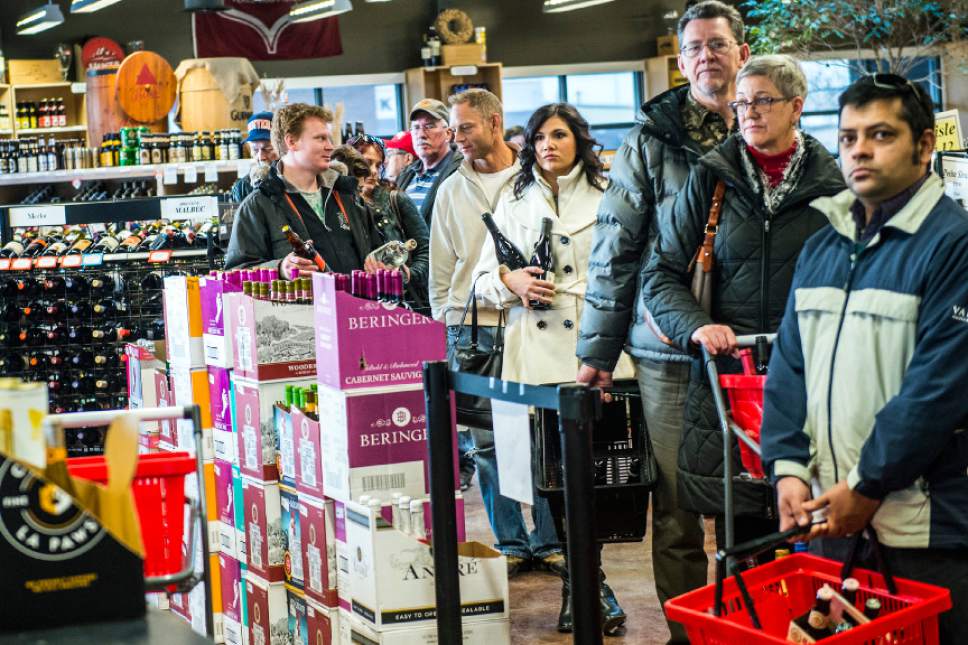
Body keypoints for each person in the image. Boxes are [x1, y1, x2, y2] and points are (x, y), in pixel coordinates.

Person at [762, 74, 968, 645]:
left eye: (880, 135)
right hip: (829, 518)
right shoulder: (824, 243)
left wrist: (868, 485)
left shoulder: (953, 244)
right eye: (849, 137)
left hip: (923, 528)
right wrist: (786, 468)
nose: (860, 150)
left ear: (924, 146)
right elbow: (788, 366)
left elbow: (937, 389)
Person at [575, 3, 749, 640]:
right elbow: (616, 245)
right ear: (681, 62)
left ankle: (747, 623)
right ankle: (689, 633)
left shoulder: (765, 125)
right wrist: (597, 350)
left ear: (742, 52)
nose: (708, 56)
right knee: (677, 506)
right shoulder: (651, 138)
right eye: (696, 47)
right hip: (667, 346)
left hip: (750, 345)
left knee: (750, 501)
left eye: (719, 44)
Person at [642, 54, 845, 553]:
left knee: (821, 539)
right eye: (741, 103)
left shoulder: (834, 185)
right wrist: (696, 325)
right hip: (732, 384)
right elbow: (661, 274)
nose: (749, 112)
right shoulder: (712, 178)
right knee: (745, 543)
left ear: (796, 107)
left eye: (763, 101)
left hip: (815, 382)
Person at [474, 102, 634, 636]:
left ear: (579, 140)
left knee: (604, 477)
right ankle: (583, 586)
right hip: (535, 356)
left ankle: (592, 583)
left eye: (560, 135)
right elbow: (478, 280)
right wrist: (511, 283)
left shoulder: (614, 192)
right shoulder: (511, 199)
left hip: (599, 352)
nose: (548, 144)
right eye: (540, 136)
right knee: (555, 484)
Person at [431, 88, 565, 579]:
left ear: (493, 122)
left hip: (534, 326)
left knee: (543, 437)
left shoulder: (535, 181)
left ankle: (550, 540)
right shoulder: (449, 190)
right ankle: (511, 542)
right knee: (487, 446)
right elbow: (442, 274)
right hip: (476, 332)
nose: (456, 138)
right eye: (453, 130)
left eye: (465, 128)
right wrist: (446, 332)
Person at [225, 103, 377, 276]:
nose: (330, 147)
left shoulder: (347, 194)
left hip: (358, 303)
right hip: (302, 303)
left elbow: (375, 250)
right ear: (291, 142)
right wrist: (280, 268)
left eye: (328, 139)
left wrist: (385, 264)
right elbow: (235, 273)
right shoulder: (257, 206)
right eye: (320, 138)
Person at [338, 137, 431, 312]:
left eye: (378, 165)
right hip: (356, 305)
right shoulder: (338, 204)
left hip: (401, 304)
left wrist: (407, 274)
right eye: (367, 163)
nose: (373, 171)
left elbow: (426, 250)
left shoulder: (395, 199)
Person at [395, 99, 462, 225]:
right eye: (416, 127)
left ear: (448, 133)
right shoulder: (406, 174)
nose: (421, 134)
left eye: (429, 126)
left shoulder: (461, 172)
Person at [231, 111, 279, 203]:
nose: (260, 157)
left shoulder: (294, 182)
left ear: (281, 146)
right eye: (255, 150)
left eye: (268, 148)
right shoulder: (242, 188)